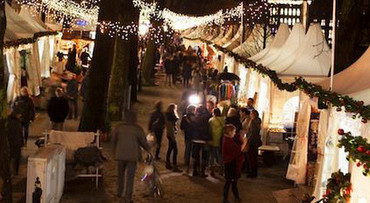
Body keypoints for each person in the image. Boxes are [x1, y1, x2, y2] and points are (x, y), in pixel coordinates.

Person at [112, 111, 151, 202]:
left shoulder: (119, 128)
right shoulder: (137, 129)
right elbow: (143, 142)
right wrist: (149, 148)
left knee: (120, 175)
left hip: (120, 155)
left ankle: (119, 192)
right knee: (130, 177)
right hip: (132, 156)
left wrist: (114, 151)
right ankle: (128, 197)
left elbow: (113, 140)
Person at [222, 124, 247, 203]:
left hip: (229, 163)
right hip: (231, 164)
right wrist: (244, 142)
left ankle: (235, 197)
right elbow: (238, 150)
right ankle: (227, 199)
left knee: (231, 182)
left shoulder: (226, 139)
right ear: (229, 132)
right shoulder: (228, 141)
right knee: (231, 182)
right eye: (233, 131)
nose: (234, 133)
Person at [192, 106, 212, 177]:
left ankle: (195, 170)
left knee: (196, 155)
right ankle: (202, 172)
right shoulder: (207, 118)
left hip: (195, 138)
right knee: (204, 155)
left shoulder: (195, 117)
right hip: (204, 138)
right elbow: (208, 128)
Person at [165, 104, 182, 172]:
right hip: (171, 134)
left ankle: (168, 163)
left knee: (170, 149)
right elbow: (171, 127)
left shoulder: (168, 116)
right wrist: (172, 136)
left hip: (170, 134)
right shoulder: (171, 117)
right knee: (175, 150)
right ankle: (174, 165)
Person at [208, 108, 225, 177]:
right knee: (220, 156)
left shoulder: (211, 120)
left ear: (213, 113)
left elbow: (209, 130)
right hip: (220, 141)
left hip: (212, 140)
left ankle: (212, 171)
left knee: (212, 156)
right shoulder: (223, 120)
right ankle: (221, 170)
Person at [246, 110, 262, 178]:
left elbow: (252, 132)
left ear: (253, 114)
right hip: (256, 141)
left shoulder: (253, 121)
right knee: (254, 157)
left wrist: (248, 139)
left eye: (251, 114)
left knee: (251, 157)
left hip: (252, 141)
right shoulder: (258, 121)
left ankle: (252, 172)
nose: (250, 115)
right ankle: (254, 171)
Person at [180, 105, 196, 172]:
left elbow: (181, 127)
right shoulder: (196, 117)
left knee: (187, 149)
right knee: (193, 149)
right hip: (194, 135)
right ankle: (193, 162)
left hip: (187, 135)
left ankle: (186, 162)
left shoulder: (184, 117)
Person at [7, 108, 23, 175]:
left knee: (10, 158)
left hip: (10, 142)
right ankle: (14, 173)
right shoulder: (17, 122)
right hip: (15, 142)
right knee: (15, 158)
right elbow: (20, 134)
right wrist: (21, 142)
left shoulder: (7, 122)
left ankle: (10, 173)